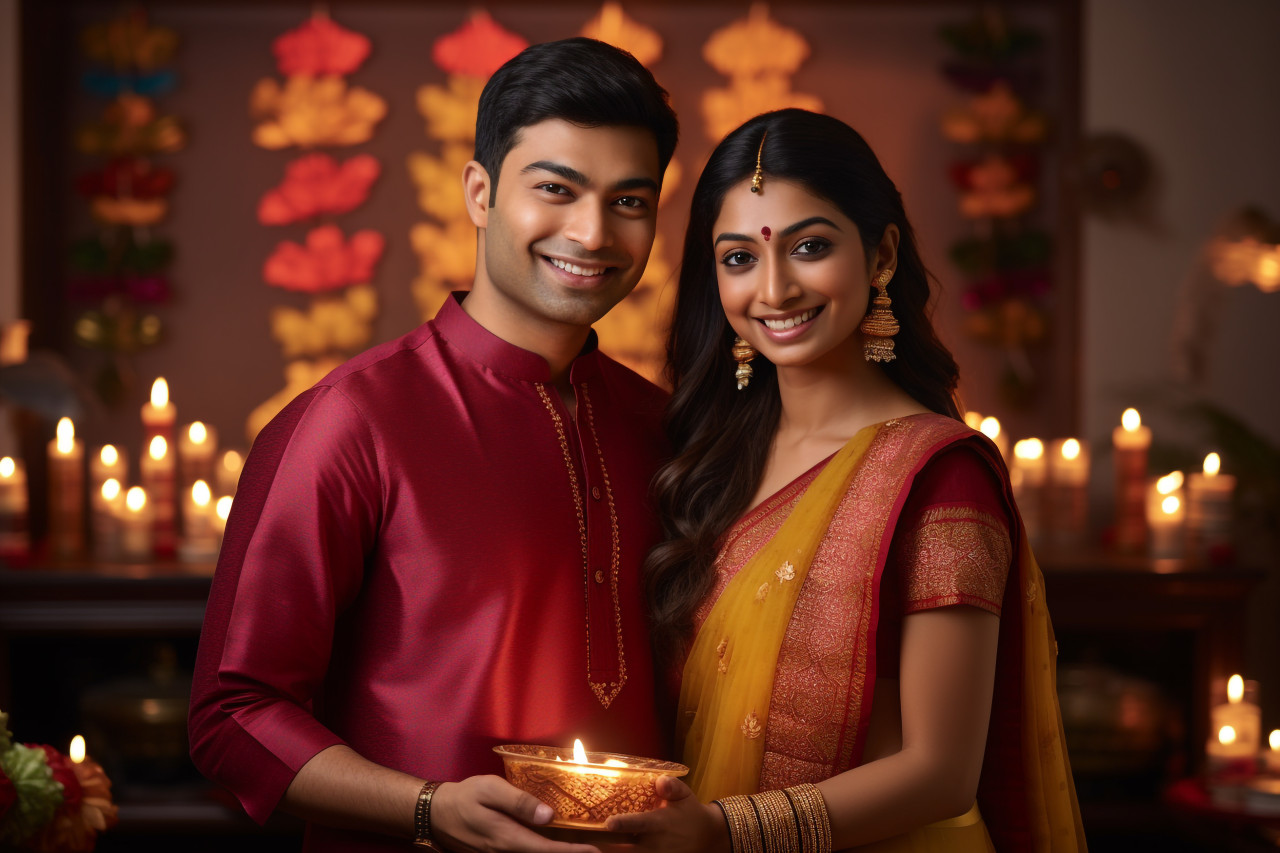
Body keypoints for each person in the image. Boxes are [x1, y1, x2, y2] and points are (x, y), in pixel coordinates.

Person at [188, 38, 679, 853]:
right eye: (556, 189)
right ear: (480, 193)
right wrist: (428, 807)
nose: (592, 232)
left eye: (630, 201)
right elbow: (231, 716)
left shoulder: (664, 427)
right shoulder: (349, 421)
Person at [608, 109, 1085, 852]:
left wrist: (726, 831)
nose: (774, 288)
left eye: (810, 247)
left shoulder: (939, 475)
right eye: (738, 258)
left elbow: (941, 770)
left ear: (882, 254)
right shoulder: (706, 461)